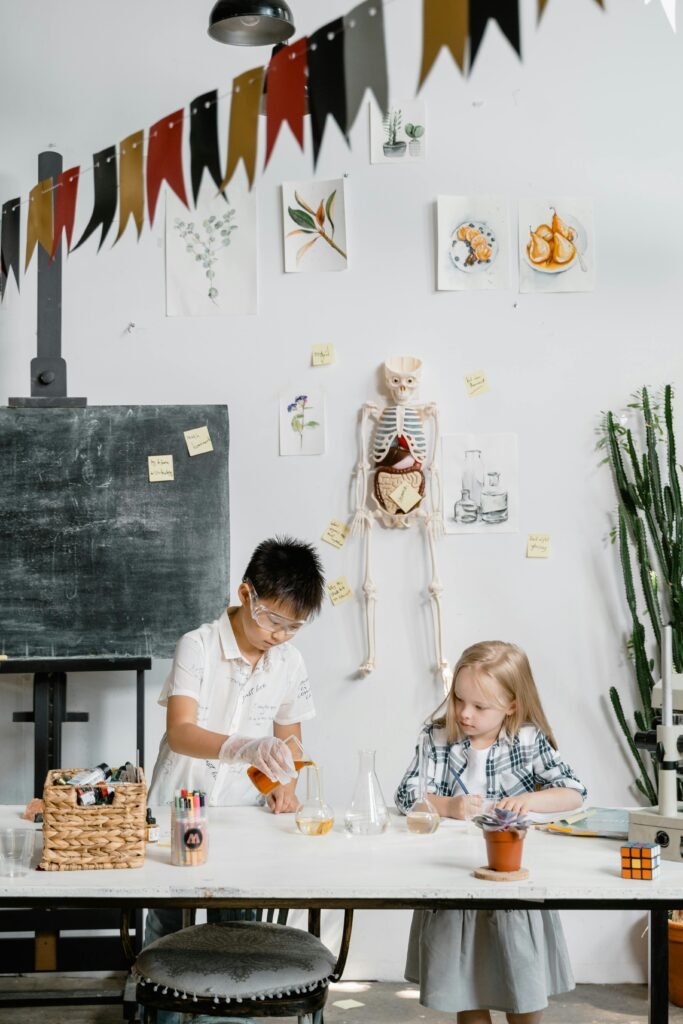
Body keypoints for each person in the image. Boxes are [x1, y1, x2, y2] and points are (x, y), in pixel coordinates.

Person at [145, 535, 325, 1024]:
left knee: (235, 930)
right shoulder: (198, 646)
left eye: (294, 626)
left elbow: (291, 741)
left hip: (244, 814)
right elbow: (180, 733)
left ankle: (222, 1016)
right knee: (168, 928)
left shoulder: (289, 661)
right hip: (181, 804)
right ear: (246, 593)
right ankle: (161, 1015)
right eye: (272, 619)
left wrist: (284, 784)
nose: (279, 635)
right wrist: (243, 747)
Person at [395, 641, 587, 1024]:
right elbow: (406, 796)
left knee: (522, 987)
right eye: (459, 700)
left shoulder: (528, 741)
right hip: (453, 882)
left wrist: (529, 801)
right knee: (467, 988)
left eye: (480, 707)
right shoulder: (436, 738)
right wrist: (447, 806)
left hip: (509, 884)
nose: (465, 714)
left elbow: (574, 793)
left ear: (511, 705)